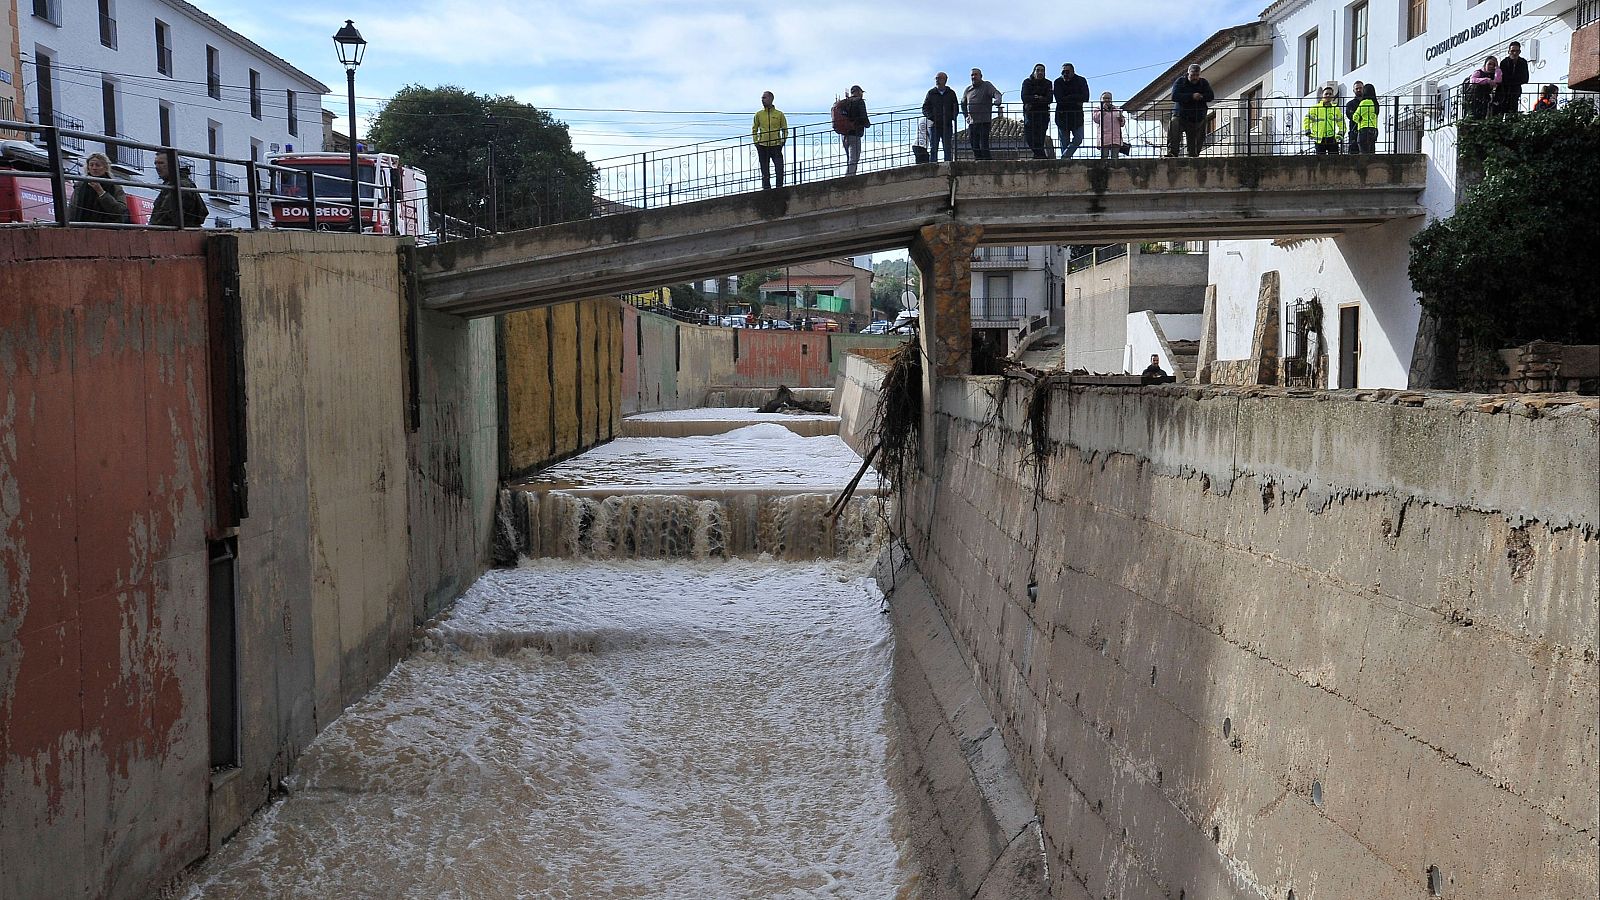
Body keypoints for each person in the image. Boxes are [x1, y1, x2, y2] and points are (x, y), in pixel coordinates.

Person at [70, 152, 130, 224]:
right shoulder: (80, 185)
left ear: (105, 168)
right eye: (91, 165)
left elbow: (120, 211)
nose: (94, 168)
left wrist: (101, 192)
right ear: (88, 168)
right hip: (82, 227)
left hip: (107, 228)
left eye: (98, 165)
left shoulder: (115, 187)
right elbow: (73, 208)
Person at [149, 153, 207, 228]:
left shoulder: (180, 184)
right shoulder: (174, 183)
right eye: (155, 163)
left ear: (172, 165)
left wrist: (152, 228)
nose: (157, 167)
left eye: (161, 163)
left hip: (175, 233)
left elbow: (166, 215)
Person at [1168, 64, 1214, 158]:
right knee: (1174, 126)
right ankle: (1172, 152)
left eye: (1197, 75)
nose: (1195, 78)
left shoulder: (1203, 83)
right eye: (1193, 75)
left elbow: (1210, 96)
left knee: (1196, 140)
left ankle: (1194, 154)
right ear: (1188, 73)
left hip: (1197, 117)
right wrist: (1191, 96)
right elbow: (1174, 96)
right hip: (1181, 115)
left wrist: (1201, 96)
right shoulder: (1180, 81)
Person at [962, 68, 1004, 160]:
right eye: (972, 75)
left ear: (981, 76)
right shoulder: (968, 90)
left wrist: (998, 100)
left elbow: (996, 93)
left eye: (976, 74)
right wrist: (966, 116)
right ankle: (978, 160)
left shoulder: (987, 85)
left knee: (984, 145)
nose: (974, 77)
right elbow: (963, 103)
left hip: (984, 121)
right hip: (972, 122)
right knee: (974, 144)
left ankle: (987, 162)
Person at [752, 91, 788, 190]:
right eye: (762, 98)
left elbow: (785, 129)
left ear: (771, 99)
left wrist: (782, 142)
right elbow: (754, 129)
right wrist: (756, 142)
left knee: (779, 169)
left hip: (776, 145)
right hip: (763, 145)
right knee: (765, 171)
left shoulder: (779, 114)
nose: (762, 100)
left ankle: (779, 188)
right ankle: (766, 190)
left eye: (764, 98)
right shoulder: (758, 114)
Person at [1053, 63, 1090, 159]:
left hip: (1076, 116)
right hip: (1062, 117)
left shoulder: (1081, 80)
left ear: (1073, 71)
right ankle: (1065, 163)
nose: (1065, 74)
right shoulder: (1058, 82)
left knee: (1078, 138)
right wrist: (1075, 98)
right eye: (1063, 72)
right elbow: (1059, 99)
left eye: (1067, 72)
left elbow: (1085, 97)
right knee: (1064, 143)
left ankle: (1064, 158)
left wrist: (1068, 98)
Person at [922, 72, 959, 163]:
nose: (937, 80)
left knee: (947, 147)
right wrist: (932, 117)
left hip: (947, 124)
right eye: (936, 78)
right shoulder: (931, 93)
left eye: (940, 78)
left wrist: (951, 117)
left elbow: (955, 107)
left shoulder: (951, 93)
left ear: (945, 80)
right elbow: (925, 108)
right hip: (934, 124)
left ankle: (948, 165)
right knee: (933, 147)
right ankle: (933, 166)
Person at [1021, 64, 1053, 159]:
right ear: (1034, 71)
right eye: (1038, 70)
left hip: (1043, 115)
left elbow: (1049, 99)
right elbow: (1024, 97)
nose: (1040, 72)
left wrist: (1034, 98)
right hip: (1030, 114)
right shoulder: (1027, 82)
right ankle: (1041, 156)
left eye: (1042, 70)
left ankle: (1038, 156)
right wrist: (1039, 98)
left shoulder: (1048, 83)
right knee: (1029, 138)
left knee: (1040, 138)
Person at [1304, 87, 1345, 154]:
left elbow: (1341, 123)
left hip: (1332, 138)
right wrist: (1308, 131)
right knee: (1320, 161)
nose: (1328, 95)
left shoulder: (1336, 109)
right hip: (1319, 139)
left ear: (1332, 96)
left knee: (1334, 160)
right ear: (1322, 96)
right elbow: (1307, 120)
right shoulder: (1315, 108)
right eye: (1326, 94)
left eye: (1330, 94)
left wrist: (1340, 133)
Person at [840, 85, 869, 176]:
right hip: (855, 133)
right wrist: (867, 124)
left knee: (850, 158)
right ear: (858, 92)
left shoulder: (845, 103)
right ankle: (849, 179)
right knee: (854, 159)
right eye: (861, 92)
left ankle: (849, 176)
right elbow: (863, 116)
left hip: (844, 135)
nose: (862, 94)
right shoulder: (859, 102)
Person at [1495, 41, 1529, 115]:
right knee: (1502, 110)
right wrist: (1515, 79)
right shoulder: (1504, 62)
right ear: (1509, 51)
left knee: (1513, 110)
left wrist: (1512, 80)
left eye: (1517, 51)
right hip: (1505, 91)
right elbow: (1504, 78)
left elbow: (1525, 78)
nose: (1515, 53)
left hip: (1515, 91)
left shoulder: (1523, 62)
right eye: (1512, 51)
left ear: (1520, 51)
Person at [1092, 92, 1126, 159]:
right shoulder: (1097, 110)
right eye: (1105, 98)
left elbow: (1122, 124)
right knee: (1104, 157)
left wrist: (1121, 119)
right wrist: (1103, 110)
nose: (1107, 100)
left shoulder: (1117, 109)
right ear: (1101, 100)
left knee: (1115, 158)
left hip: (1115, 137)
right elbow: (1096, 119)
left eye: (1108, 98)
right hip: (1104, 137)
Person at [1353, 83, 1379, 154]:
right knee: (1371, 152)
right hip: (1374, 129)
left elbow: (1355, 117)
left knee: (1363, 153)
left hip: (1364, 129)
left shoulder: (1364, 102)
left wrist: (1359, 119)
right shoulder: (1375, 103)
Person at [1344, 80, 1366, 153]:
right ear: (1353, 90)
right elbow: (1351, 116)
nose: (1359, 90)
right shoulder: (1350, 104)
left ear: (1364, 89)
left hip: (1366, 132)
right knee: (1354, 154)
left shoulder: (1369, 102)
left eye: (1360, 88)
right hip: (1354, 132)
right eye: (1357, 89)